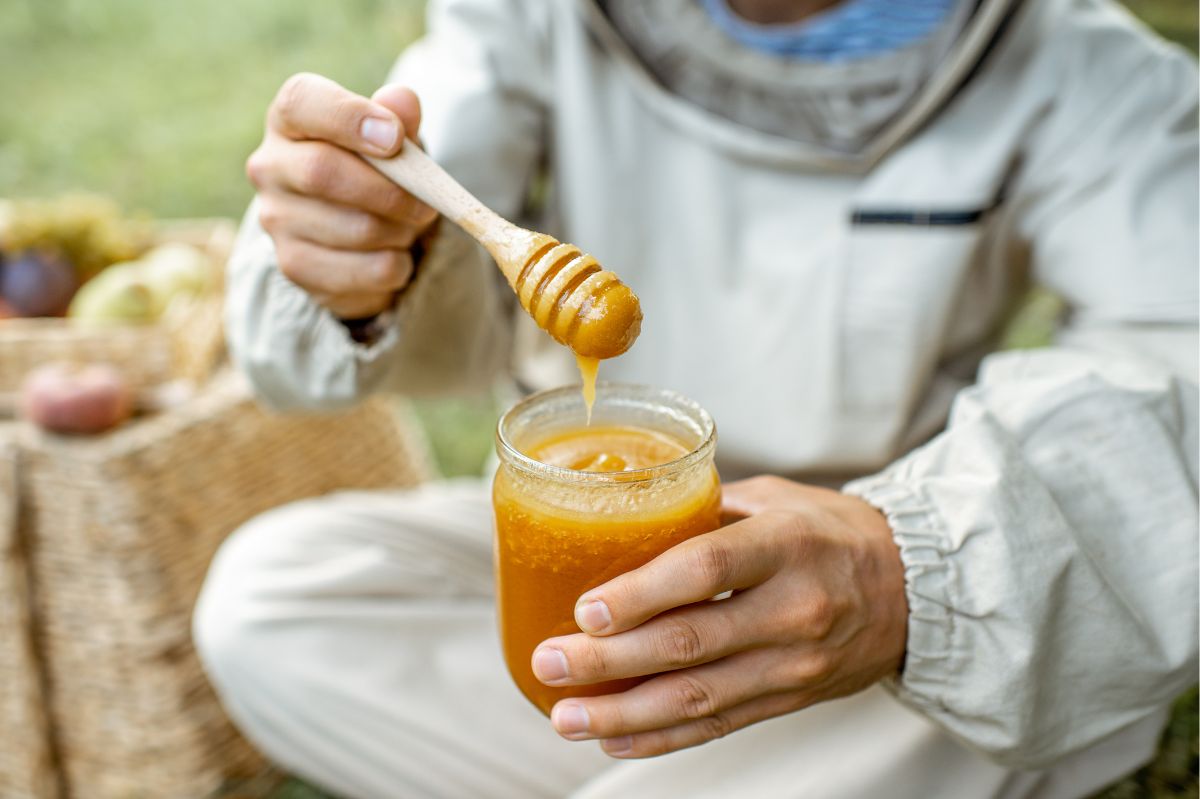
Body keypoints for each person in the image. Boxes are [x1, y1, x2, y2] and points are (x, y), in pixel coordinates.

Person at [193, 0, 1199, 797]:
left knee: (1031, 633)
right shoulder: (528, 17)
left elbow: (1180, 357)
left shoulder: (1087, 69)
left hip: (879, 574)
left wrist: (909, 574)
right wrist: (358, 250)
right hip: (597, 549)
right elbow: (407, 178)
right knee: (271, 597)